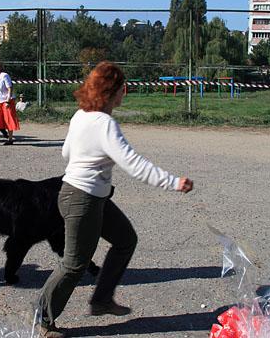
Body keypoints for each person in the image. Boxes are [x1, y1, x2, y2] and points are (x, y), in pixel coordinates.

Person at [36, 61, 194, 338]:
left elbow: (66, 153)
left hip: (82, 195)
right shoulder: (104, 124)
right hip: (82, 200)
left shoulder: (80, 116)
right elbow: (135, 165)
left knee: (125, 240)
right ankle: (42, 320)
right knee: (74, 264)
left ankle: (101, 300)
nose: (126, 91)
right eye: (123, 87)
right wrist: (173, 182)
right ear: (113, 90)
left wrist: (91, 167)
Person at [0, 60, 19, 145]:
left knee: (8, 119)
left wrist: (8, 101)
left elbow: (10, 87)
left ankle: (10, 139)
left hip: (7, 100)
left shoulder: (5, 75)